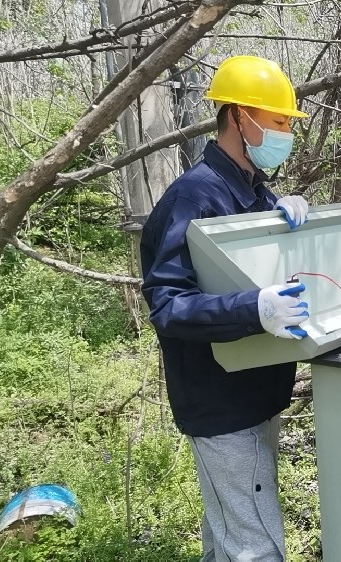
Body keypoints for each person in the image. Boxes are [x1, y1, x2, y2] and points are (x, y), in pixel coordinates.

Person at [140, 55, 312, 561]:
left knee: (229, 533)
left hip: (256, 391)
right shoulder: (193, 197)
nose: (286, 134)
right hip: (221, 402)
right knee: (257, 544)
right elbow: (168, 307)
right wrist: (253, 309)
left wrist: (281, 214)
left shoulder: (253, 190)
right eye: (278, 121)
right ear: (240, 116)